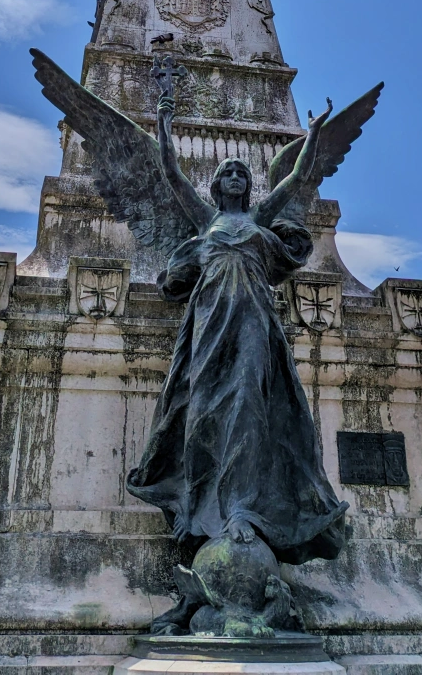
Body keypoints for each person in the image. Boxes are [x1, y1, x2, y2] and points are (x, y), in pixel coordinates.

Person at [125, 89, 348, 565]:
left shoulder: (259, 218)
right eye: (226, 171)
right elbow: (171, 174)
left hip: (253, 321)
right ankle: (202, 508)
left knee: (249, 403)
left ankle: (244, 509)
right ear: (217, 185)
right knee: (204, 412)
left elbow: (294, 179)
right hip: (208, 324)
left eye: (240, 173)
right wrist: (163, 122)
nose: (232, 176)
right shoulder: (205, 220)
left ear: (247, 187)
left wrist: (313, 134)